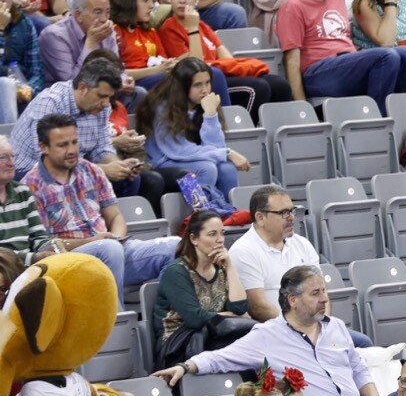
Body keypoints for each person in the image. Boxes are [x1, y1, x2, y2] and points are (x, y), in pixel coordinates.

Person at [156, 264, 379, 396]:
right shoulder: (267, 336)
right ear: (293, 300)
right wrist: (185, 367)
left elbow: (358, 369)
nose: (324, 299)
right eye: (315, 293)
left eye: (324, 291)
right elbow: (221, 358)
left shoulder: (336, 327)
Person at [25, 112, 178, 292]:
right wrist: (96, 242)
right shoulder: (31, 186)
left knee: (176, 246)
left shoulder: (91, 170)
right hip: (70, 261)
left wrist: (116, 237)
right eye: (62, 145)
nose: (72, 150)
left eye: (74, 142)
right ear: (43, 147)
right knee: (108, 249)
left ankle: (164, 317)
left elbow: (115, 217)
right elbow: (46, 245)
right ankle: (115, 319)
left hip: (113, 249)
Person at [276, 0, 406, 113]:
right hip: (318, 74)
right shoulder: (293, 7)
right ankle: (378, 122)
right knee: (385, 56)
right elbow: (292, 63)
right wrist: (302, 109)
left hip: (347, 63)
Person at [14, 55, 160, 202]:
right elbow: (48, 162)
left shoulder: (101, 106)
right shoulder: (50, 103)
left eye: (109, 97)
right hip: (30, 172)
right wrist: (102, 170)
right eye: (102, 96)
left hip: (75, 168)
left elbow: (102, 148)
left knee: (129, 179)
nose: (106, 103)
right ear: (83, 88)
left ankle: (116, 223)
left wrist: (118, 165)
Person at [158, 0, 292, 113]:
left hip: (218, 75)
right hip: (202, 83)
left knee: (280, 85)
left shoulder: (202, 25)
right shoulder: (169, 27)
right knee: (258, 88)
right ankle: (239, 129)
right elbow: (194, 67)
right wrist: (192, 29)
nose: (182, 0)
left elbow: (227, 59)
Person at [137, 56, 251, 197]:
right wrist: (227, 153)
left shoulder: (206, 103)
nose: (205, 90)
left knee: (227, 168)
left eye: (208, 83)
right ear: (183, 86)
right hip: (162, 163)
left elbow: (216, 148)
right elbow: (179, 151)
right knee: (207, 169)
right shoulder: (162, 107)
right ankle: (201, 214)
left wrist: (210, 115)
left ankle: (229, 215)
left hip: (192, 158)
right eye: (198, 85)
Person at [152, 208, 252, 365]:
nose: (220, 240)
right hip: (178, 345)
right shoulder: (176, 272)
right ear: (194, 239)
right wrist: (231, 315)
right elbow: (195, 319)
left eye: (222, 233)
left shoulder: (221, 267)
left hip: (214, 336)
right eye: (212, 234)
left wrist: (230, 267)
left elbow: (240, 307)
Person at [109, 0, 226, 100]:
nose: (151, 6)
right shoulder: (114, 32)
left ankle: (219, 119)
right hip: (135, 84)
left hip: (159, 78)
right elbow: (116, 74)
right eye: (145, 0)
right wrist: (157, 70)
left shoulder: (149, 31)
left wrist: (171, 64)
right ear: (129, 2)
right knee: (184, 79)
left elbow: (164, 62)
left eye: (152, 0)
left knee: (215, 74)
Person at [228, 185, 317, 321]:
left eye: (292, 211)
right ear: (260, 218)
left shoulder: (302, 244)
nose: (292, 217)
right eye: (284, 213)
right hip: (276, 333)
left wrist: (322, 325)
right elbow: (258, 307)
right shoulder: (243, 251)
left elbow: (322, 295)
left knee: (360, 341)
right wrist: (296, 329)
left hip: (312, 326)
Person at [39, 0, 118, 86]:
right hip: (66, 98)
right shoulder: (54, 36)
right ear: (79, 15)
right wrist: (91, 43)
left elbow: (116, 68)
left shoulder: (106, 30)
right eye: (97, 12)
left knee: (138, 93)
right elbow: (71, 83)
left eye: (107, 12)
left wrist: (124, 80)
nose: (104, 19)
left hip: (102, 89)